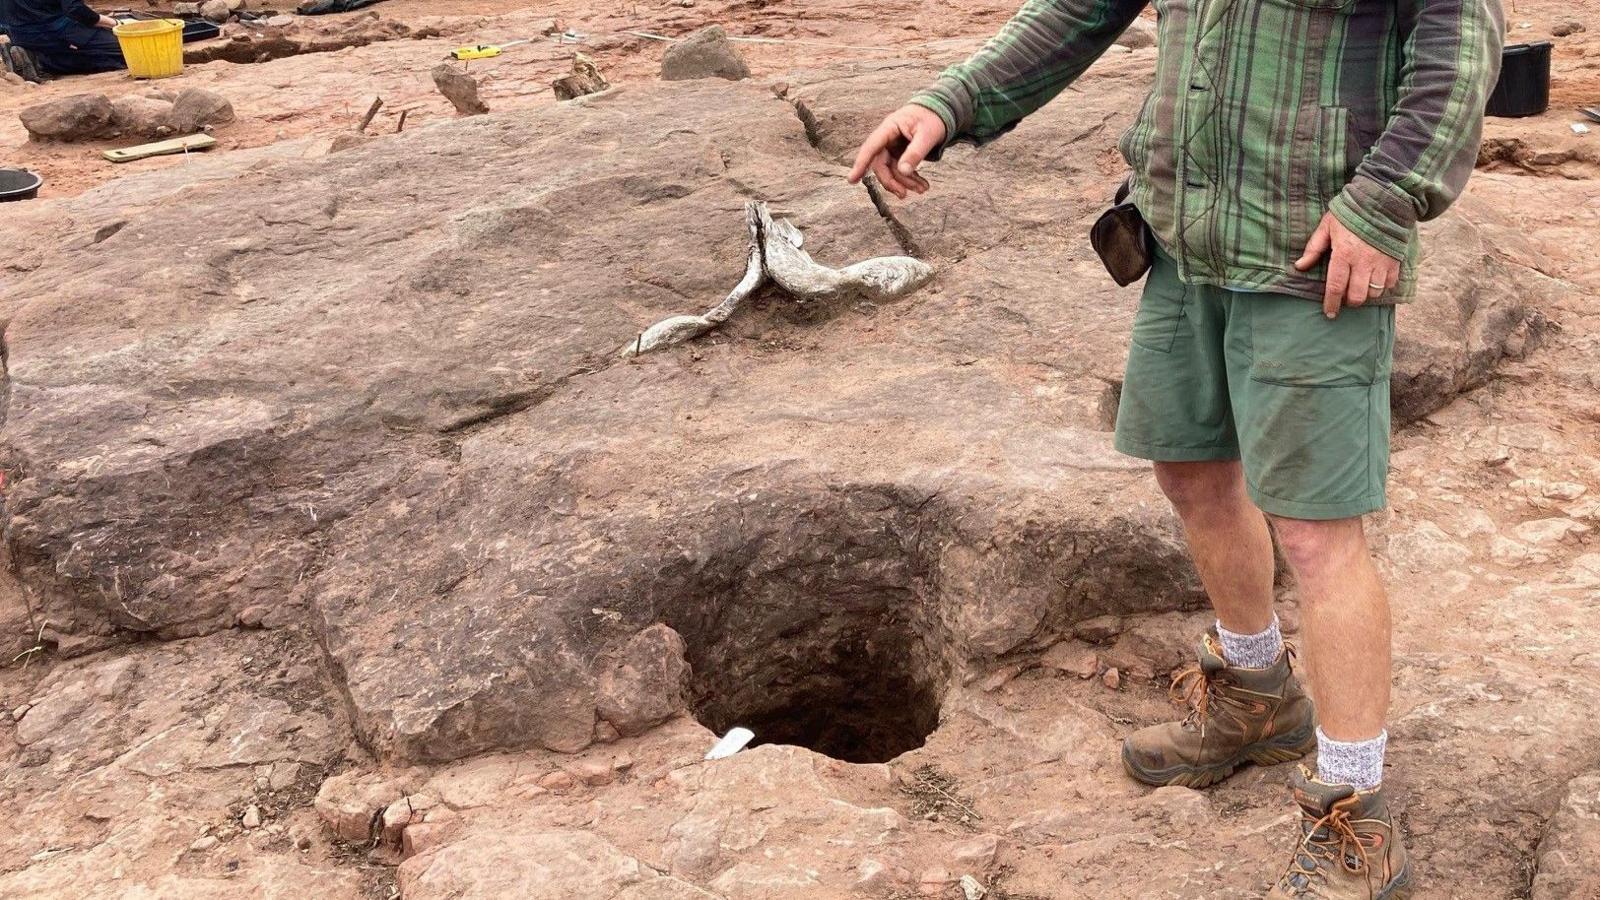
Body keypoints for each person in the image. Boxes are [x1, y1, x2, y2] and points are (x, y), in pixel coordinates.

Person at [850, 0, 1501, 896]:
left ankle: (1355, 809)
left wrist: (1384, 201)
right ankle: (1259, 691)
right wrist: (952, 102)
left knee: (1316, 530)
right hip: (1184, 240)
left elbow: (1459, 51)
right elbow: (1081, 11)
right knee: (1191, 472)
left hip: (1313, 257)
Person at [0, 0, 124, 77]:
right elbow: (75, 9)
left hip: (18, 34)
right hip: (56, 31)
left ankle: (32, 52)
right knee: (127, 51)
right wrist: (116, 23)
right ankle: (40, 61)